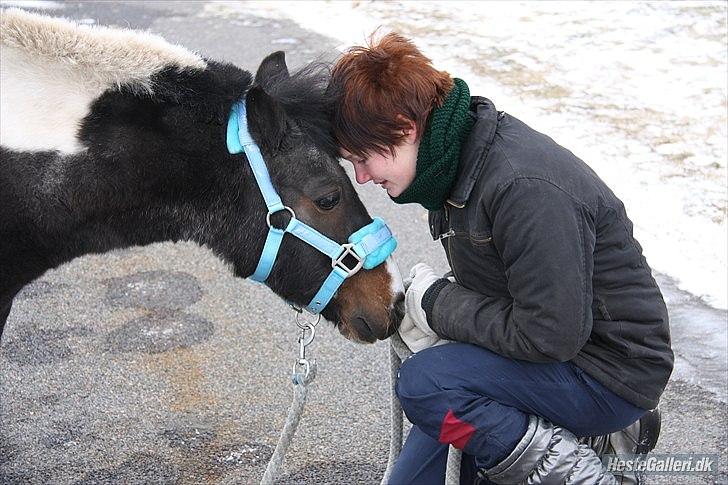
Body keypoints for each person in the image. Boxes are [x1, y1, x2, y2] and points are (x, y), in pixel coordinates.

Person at [328, 33, 673, 484]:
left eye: (363, 158)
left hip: (607, 373)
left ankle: (573, 467)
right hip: (546, 362)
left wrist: (435, 305)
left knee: (427, 386)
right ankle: (512, 441)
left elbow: (550, 335)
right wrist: (432, 311)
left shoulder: (522, 185)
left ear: (405, 127)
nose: (362, 176)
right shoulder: (453, 168)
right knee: (418, 468)